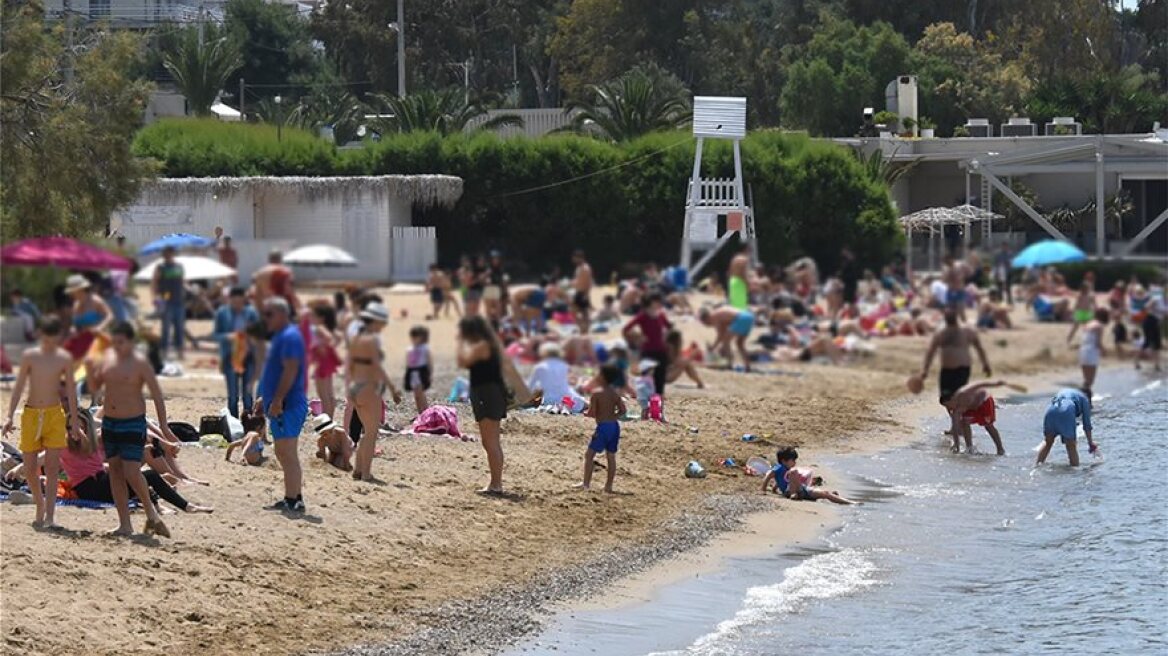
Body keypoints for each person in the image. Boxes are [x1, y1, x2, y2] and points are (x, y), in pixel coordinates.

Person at [86, 321, 174, 537]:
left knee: (132, 472)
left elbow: (157, 395)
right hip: (110, 423)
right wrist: (89, 369)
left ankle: (152, 515)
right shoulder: (107, 360)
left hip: (133, 422)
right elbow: (95, 388)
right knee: (115, 471)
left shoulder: (140, 364)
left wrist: (163, 426)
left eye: (121, 342)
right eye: (114, 342)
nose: (117, 346)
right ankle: (125, 524)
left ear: (130, 342)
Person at [1, 317, 81, 529]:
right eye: (46, 337)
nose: (49, 342)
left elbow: (71, 392)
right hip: (31, 414)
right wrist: (9, 416)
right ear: (41, 335)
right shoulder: (30, 356)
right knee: (28, 469)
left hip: (54, 414)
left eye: (53, 338)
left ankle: (50, 516)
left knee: (53, 468)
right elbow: (18, 387)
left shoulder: (64, 358)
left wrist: (73, 420)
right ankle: (40, 505)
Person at [56, 415, 211, 514]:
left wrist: (163, 443)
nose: (75, 431)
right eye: (70, 427)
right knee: (143, 475)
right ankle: (170, 505)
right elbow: (40, 460)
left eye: (80, 427)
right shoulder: (63, 446)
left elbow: (136, 432)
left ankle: (179, 504)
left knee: (144, 471)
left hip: (103, 480)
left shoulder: (95, 439)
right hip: (88, 488)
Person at [257, 298, 309, 511]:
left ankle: (294, 499)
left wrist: (277, 399)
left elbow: (290, 370)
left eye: (269, 314)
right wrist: (265, 398)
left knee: (287, 453)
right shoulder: (283, 336)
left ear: (282, 314)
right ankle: (291, 496)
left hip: (288, 403)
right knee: (283, 452)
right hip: (281, 403)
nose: (265, 319)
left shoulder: (289, 336)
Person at [347, 302, 400, 482]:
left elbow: (350, 366)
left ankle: (358, 468)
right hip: (369, 387)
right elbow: (377, 367)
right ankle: (366, 473)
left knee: (366, 432)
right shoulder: (372, 340)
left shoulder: (355, 339)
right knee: (371, 433)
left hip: (356, 387)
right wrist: (393, 388)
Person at [457, 316, 508, 495]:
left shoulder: (481, 346)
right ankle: (496, 482)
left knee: (490, 441)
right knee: (492, 441)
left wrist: (460, 343)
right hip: (491, 394)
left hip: (486, 395)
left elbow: (462, 361)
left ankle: (496, 484)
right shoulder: (492, 345)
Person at [920, 309, 992, 434]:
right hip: (946, 370)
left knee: (959, 398)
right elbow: (931, 351)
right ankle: (955, 425)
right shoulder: (941, 332)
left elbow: (979, 347)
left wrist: (985, 364)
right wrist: (925, 370)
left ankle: (959, 426)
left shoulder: (967, 331)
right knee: (945, 400)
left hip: (962, 369)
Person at [576, 364, 627, 492]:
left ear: (602, 377)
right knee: (611, 456)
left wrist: (585, 413)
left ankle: (586, 484)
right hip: (614, 426)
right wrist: (612, 416)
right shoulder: (615, 393)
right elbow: (623, 410)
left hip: (603, 427)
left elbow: (592, 412)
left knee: (589, 455)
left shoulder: (597, 393)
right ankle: (608, 486)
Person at [213, 286, 260, 418]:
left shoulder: (251, 313)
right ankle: (233, 424)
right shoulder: (222, 313)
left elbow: (259, 333)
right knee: (233, 396)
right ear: (230, 300)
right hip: (230, 356)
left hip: (248, 356)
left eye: (241, 302)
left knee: (248, 394)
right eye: (235, 302)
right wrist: (228, 336)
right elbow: (216, 335)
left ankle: (249, 424)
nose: (238, 305)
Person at [762, 446, 855, 505]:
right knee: (793, 472)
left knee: (826, 494)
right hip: (792, 491)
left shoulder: (786, 470)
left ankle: (849, 502)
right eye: (793, 460)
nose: (795, 462)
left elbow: (783, 480)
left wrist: (775, 488)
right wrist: (763, 489)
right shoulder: (779, 468)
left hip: (802, 489)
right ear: (783, 461)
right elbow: (769, 475)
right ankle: (794, 493)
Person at [622, 293, 672, 399]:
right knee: (645, 375)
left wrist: (666, 338)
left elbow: (669, 327)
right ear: (650, 302)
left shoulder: (661, 315)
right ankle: (645, 395)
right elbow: (626, 329)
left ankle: (659, 395)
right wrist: (636, 339)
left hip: (661, 349)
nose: (659, 303)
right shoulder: (643, 315)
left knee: (660, 374)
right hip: (647, 350)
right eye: (657, 301)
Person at [945, 379, 1009, 455]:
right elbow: (955, 427)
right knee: (964, 423)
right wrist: (956, 445)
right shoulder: (955, 408)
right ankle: (969, 448)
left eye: (949, 406)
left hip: (984, 402)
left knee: (988, 426)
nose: (950, 409)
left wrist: (996, 384)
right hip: (969, 406)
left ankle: (1000, 449)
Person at [1037, 388, 1097, 467]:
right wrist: (1090, 443)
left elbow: (1057, 406)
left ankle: (1037, 466)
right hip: (1067, 411)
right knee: (1070, 445)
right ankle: (1075, 472)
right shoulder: (1084, 399)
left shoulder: (1066, 391)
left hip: (1050, 411)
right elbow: (1087, 425)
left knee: (1048, 442)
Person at [527, 342, 584, 412]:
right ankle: (568, 405)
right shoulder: (564, 365)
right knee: (579, 403)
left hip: (548, 399)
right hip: (566, 397)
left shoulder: (539, 367)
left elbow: (530, 386)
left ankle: (562, 406)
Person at [152, 246, 187, 360]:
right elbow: (155, 283)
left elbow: (183, 282)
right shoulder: (160, 267)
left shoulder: (179, 266)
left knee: (179, 327)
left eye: (169, 252)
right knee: (166, 328)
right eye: (165, 252)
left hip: (179, 301)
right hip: (166, 301)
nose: (167, 254)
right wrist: (155, 297)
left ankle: (180, 351)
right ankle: (164, 351)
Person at [308, 305, 342, 418]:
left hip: (321, 363)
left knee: (324, 395)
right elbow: (338, 337)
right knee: (329, 394)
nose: (311, 317)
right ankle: (330, 420)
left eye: (313, 315)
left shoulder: (319, 328)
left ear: (321, 317)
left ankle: (327, 421)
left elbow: (330, 338)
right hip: (327, 363)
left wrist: (321, 347)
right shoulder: (327, 327)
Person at [699, 305, 754, 371]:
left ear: (706, 319)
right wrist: (719, 347)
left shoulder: (714, 317)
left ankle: (729, 364)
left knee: (726, 341)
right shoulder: (717, 314)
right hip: (749, 316)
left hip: (740, 318)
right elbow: (724, 333)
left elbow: (720, 336)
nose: (708, 325)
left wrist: (713, 347)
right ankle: (747, 366)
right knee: (739, 344)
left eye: (706, 323)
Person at [1130, 285, 1163, 371]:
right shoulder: (1157, 298)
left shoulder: (1163, 300)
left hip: (1155, 322)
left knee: (1156, 343)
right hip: (1150, 320)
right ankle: (1137, 362)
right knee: (1148, 342)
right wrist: (1153, 310)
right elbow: (1146, 306)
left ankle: (1157, 365)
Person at [1078, 309, 1109, 393]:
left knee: (1085, 379)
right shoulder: (1099, 326)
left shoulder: (1088, 324)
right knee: (1090, 380)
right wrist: (1104, 351)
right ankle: (1086, 399)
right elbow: (1098, 342)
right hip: (1092, 351)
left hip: (1083, 350)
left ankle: (1081, 398)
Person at [404, 325, 432, 415]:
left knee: (421, 393)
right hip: (412, 372)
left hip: (421, 371)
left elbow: (429, 361)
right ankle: (420, 412)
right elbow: (408, 362)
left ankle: (425, 411)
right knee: (416, 395)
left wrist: (429, 374)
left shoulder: (424, 348)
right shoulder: (410, 349)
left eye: (417, 336)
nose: (414, 339)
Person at [571, 250, 594, 334]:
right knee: (580, 312)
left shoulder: (585, 268)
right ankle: (583, 328)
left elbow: (589, 282)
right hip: (579, 292)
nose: (573, 259)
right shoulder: (579, 268)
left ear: (579, 258)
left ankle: (584, 329)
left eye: (574, 258)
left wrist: (587, 294)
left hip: (582, 292)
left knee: (582, 312)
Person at [728, 245, 751, 310]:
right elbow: (743, 273)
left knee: (734, 302)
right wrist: (747, 283)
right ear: (746, 250)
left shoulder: (734, 259)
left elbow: (730, 272)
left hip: (732, 280)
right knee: (741, 305)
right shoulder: (744, 259)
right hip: (739, 282)